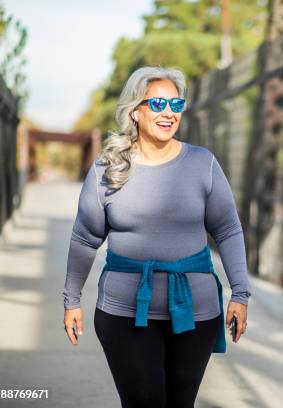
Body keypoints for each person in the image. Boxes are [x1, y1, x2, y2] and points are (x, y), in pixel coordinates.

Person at [62, 66, 252, 408]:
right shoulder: (108, 168)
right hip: (124, 313)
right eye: (159, 103)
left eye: (176, 105)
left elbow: (227, 229)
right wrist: (71, 299)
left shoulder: (202, 163)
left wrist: (241, 293)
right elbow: (85, 238)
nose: (169, 113)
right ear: (136, 111)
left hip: (196, 313)